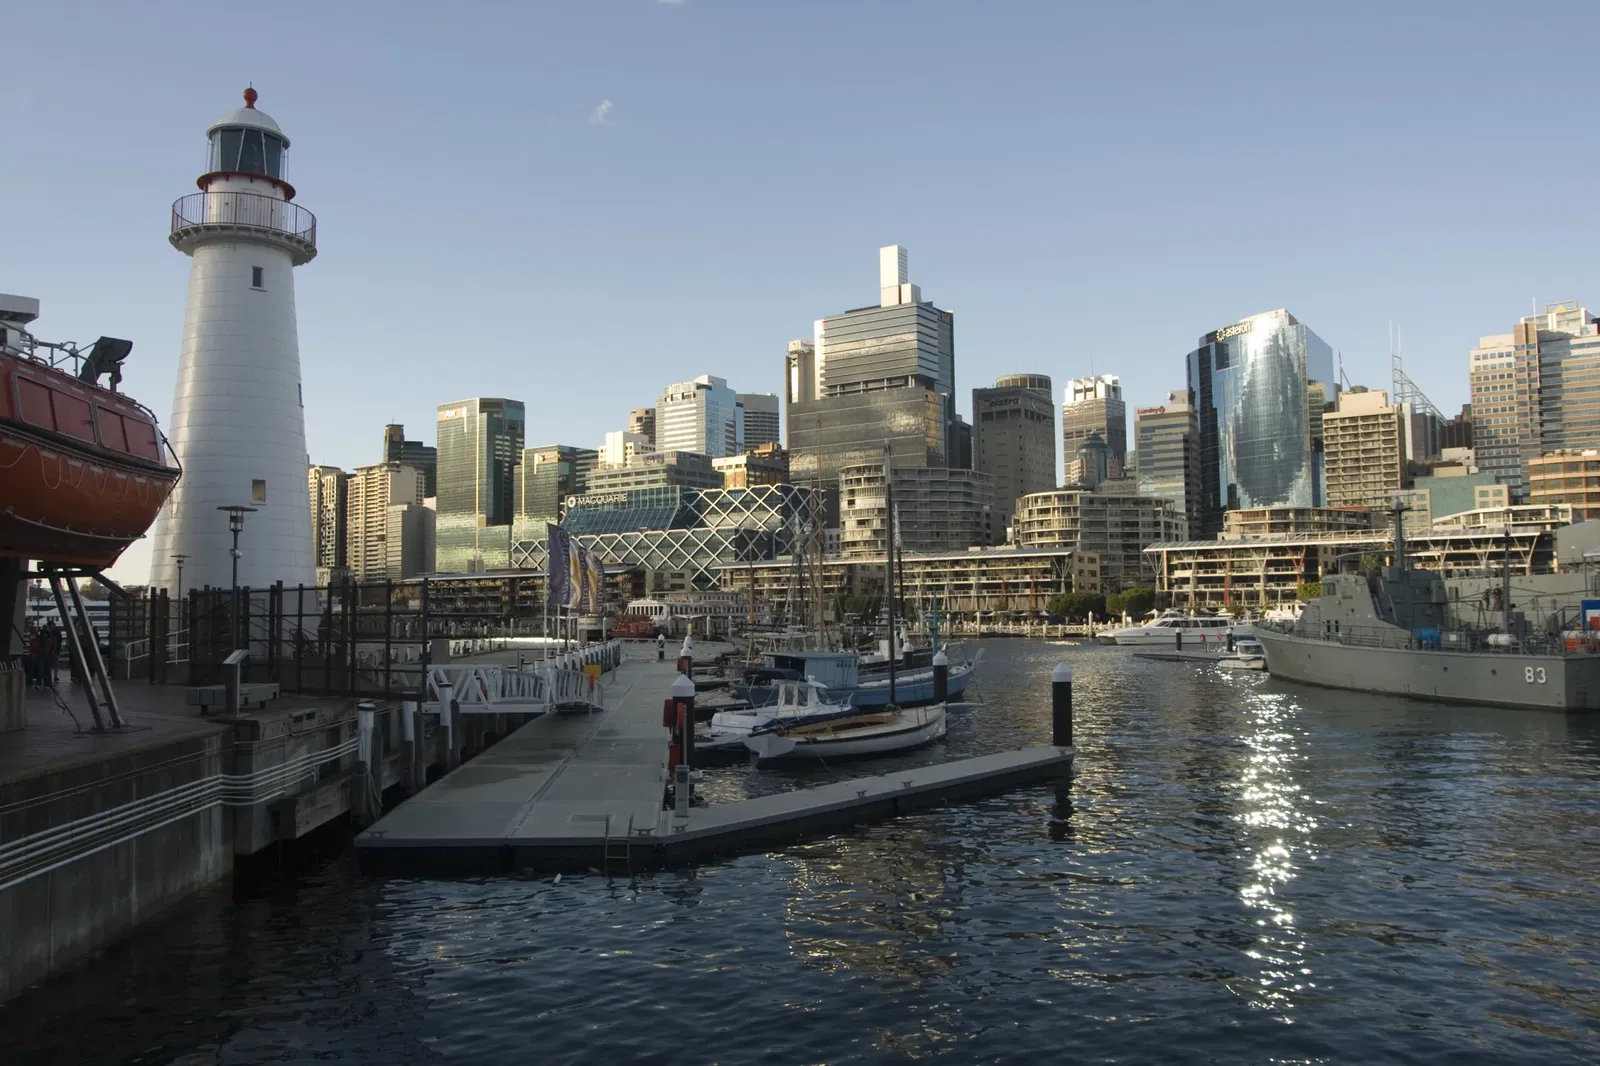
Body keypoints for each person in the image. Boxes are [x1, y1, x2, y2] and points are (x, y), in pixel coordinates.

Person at [40, 621, 60, 689]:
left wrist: (54, 653)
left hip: (49, 655)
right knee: (46, 669)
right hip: (46, 654)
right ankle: (47, 683)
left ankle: (48, 683)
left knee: (48, 669)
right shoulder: (44, 636)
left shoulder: (52, 637)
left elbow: (55, 645)